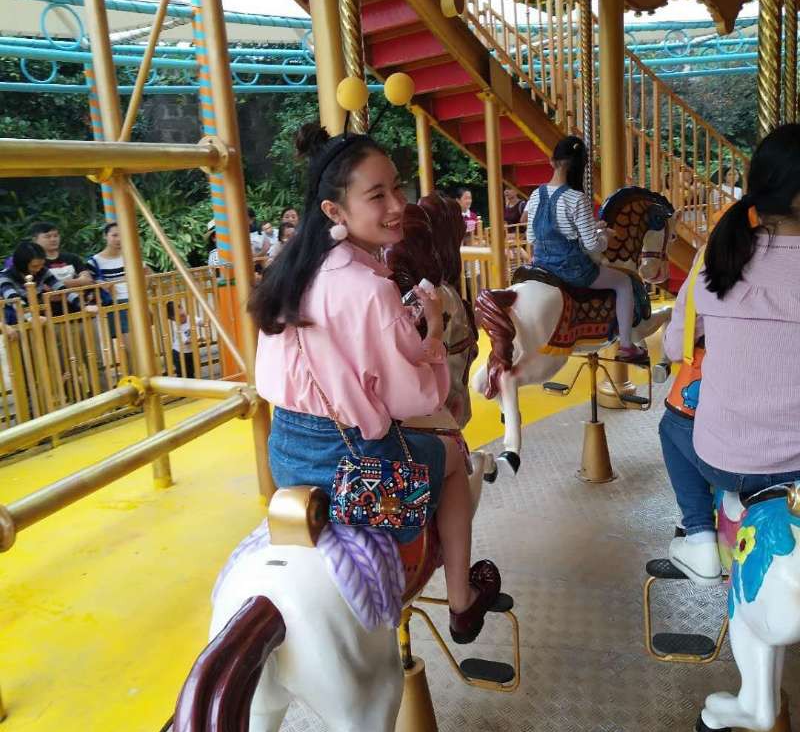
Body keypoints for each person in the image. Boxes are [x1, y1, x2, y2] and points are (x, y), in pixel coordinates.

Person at [250, 122, 502, 644]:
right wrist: (434, 331)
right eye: (377, 195)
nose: (397, 205)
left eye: (397, 188)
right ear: (334, 211)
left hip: (288, 455)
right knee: (452, 454)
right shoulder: (368, 288)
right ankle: (462, 601)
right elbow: (420, 397)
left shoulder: (290, 272)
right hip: (349, 468)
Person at [663, 124, 800, 583]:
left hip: (727, 463)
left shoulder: (716, 256)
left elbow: (673, 346)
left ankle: (699, 534)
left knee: (672, 425)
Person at [526, 135, 647, 363]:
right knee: (624, 282)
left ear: (552, 161)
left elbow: (531, 237)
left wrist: (591, 228)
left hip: (541, 265)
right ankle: (627, 345)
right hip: (571, 269)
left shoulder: (535, 195)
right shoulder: (576, 198)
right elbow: (592, 245)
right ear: (580, 167)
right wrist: (604, 236)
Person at [0, 240, 82, 325]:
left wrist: (83, 305)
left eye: (41, 265)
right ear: (22, 264)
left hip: (36, 316)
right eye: (34, 266)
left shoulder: (43, 271)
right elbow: (14, 300)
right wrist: (31, 317)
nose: (39, 269)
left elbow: (62, 289)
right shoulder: (4, 277)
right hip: (12, 320)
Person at [29, 221, 93, 288]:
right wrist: (78, 282)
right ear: (35, 240)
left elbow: (88, 280)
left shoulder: (72, 258)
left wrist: (56, 284)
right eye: (47, 237)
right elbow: (42, 287)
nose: (53, 239)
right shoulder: (34, 263)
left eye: (56, 236)